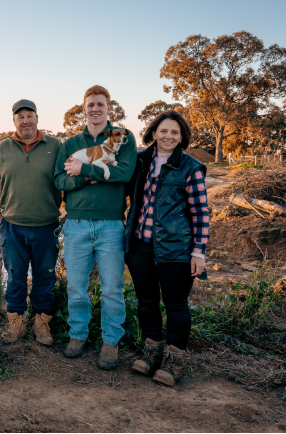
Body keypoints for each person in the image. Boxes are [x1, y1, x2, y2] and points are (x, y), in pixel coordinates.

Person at [54, 85, 137, 370]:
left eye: (100, 104)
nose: (95, 109)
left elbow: (125, 172)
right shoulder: (70, 143)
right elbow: (60, 181)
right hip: (76, 224)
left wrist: (85, 170)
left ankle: (111, 341)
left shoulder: (122, 138)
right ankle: (78, 335)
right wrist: (91, 178)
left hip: (112, 225)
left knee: (112, 288)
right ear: (84, 108)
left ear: (109, 108)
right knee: (77, 287)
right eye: (90, 105)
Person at [124, 109, 209, 386]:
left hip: (176, 249)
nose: (168, 136)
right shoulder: (139, 162)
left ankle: (174, 362)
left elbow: (200, 212)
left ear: (182, 136)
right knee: (146, 301)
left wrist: (199, 251)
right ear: (153, 134)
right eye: (163, 131)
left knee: (176, 304)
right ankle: (152, 353)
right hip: (140, 246)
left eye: (174, 131)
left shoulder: (191, 167)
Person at [0, 99, 63, 346]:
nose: (25, 120)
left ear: (37, 118)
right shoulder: (1, 149)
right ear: (14, 121)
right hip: (12, 226)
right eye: (21, 117)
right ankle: (15, 322)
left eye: (30, 115)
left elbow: (68, 179)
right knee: (15, 276)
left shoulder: (56, 146)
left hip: (47, 226)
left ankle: (42, 323)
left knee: (45, 277)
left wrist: (66, 208)